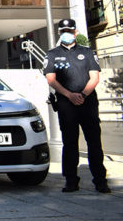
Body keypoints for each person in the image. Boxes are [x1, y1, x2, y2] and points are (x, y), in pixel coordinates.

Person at [43, 18, 111, 194]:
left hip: (87, 103)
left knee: (94, 142)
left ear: (75, 32)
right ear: (59, 33)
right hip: (66, 104)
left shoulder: (88, 53)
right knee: (70, 143)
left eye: (70, 30)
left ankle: (100, 181)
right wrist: (69, 95)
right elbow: (51, 79)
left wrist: (82, 95)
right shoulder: (51, 54)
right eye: (64, 30)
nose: (67, 33)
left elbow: (94, 77)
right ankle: (71, 181)